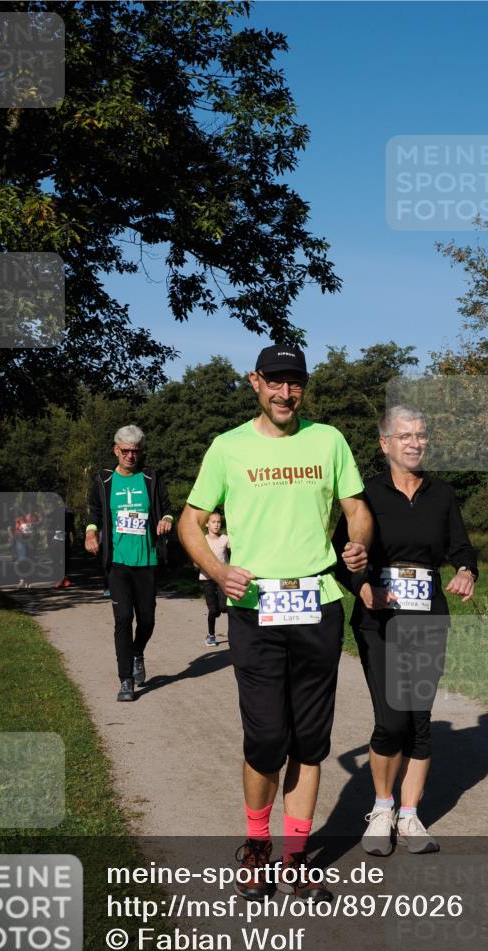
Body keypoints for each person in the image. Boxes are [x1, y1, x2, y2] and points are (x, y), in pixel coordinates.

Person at [179, 344, 373, 903]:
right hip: (254, 610)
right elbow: (192, 521)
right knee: (266, 737)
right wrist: (217, 570)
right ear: (255, 382)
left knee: (310, 742)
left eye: (295, 383)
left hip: (317, 605)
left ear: (303, 387)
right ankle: (258, 847)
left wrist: (357, 544)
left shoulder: (328, 439)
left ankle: (294, 858)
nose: (285, 393)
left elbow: (356, 508)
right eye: (275, 382)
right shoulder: (228, 447)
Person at [333, 404, 478, 856]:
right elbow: (341, 553)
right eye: (406, 435)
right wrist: (362, 586)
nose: (415, 442)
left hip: (428, 616)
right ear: (385, 444)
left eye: (421, 434)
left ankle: (411, 816)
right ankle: (381, 809)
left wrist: (466, 571)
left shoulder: (442, 494)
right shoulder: (366, 496)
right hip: (380, 620)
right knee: (392, 718)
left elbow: (462, 547)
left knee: (418, 721)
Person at [85, 425, 174, 702]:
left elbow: (167, 508)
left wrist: (167, 520)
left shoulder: (151, 478)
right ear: (116, 450)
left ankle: (138, 652)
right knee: (123, 618)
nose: (131, 456)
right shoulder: (104, 481)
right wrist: (90, 531)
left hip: (146, 560)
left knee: (146, 619)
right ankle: (126, 680)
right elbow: (94, 512)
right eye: (125, 451)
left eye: (136, 451)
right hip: (117, 562)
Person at [198, 511, 230, 646]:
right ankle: (211, 635)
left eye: (219, 522)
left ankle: (233, 634)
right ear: (207, 524)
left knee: (225, 607)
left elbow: (237, 551)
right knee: (213, 611)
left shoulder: (225, 539)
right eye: (213, 522)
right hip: (207, 578)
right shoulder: (202, 540)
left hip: (222, 578)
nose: (217, 525)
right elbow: (196, 557)